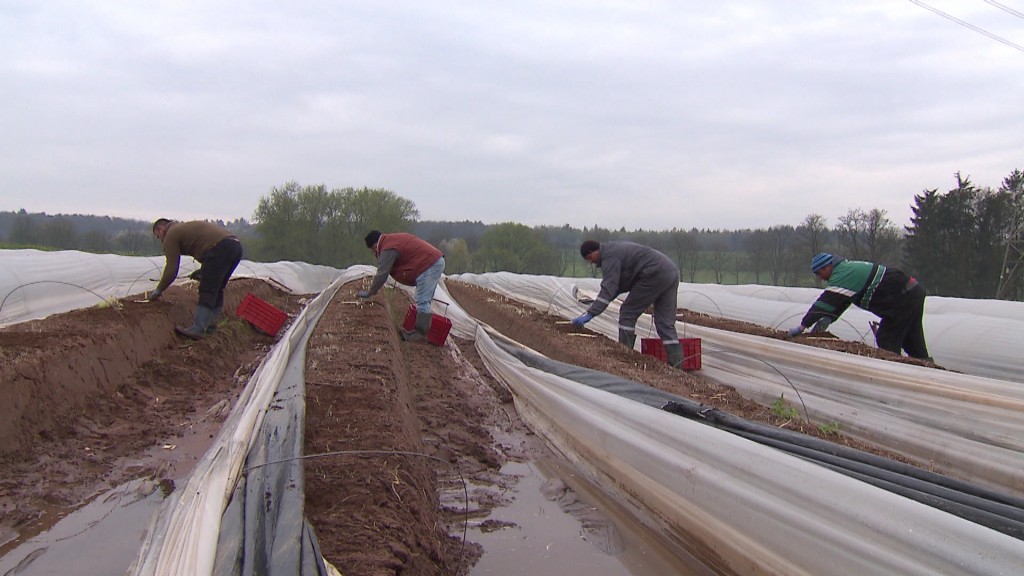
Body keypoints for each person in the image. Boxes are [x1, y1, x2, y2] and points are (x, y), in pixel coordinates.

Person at [786, 252, 930, 360]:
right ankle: (927, 368)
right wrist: (828, 318)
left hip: (905, 297)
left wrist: (803, 326)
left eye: (820, 272)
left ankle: (896, 376)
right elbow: (842, 301)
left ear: (828, 266)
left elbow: (824, 302)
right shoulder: (846, 270)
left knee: (887, 338)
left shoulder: (843, 274)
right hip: (911, 292)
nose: (820, 277)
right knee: (912, 339)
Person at [572, 240, 685, 368]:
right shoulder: (614, 249)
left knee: (627, 312)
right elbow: (621, 282)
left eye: (589, 257)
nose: (591, 262)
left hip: (653, 273)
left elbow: (609, 286)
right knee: (665, 323)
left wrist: (591, 314)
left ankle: (624, 356)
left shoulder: (609, 257)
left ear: (594, 251)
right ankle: (677, 365)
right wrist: (610, 295)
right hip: (670, 271)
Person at [149, 218, 243, 339]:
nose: (160, 240)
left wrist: (159, 290)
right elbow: (208, 249)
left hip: (220, 248)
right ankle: (210, 327)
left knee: (207, 289)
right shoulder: (183, 228)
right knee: (217, 288)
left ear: (160, 229)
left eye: (158, 236)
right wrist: (203, 271)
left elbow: (171, 269)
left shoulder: (171, 234)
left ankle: (198, 328)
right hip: (234, 246)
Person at [358, 230, 446, 342]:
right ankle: (419, 331)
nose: (373, 252)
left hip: (429, 263)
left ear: (375, 244)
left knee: (422, 299)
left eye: (372, 249)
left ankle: (420, 334)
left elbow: (382, 273)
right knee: (424, 299)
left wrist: (370, 292)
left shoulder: (388, 247)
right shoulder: (391, 241)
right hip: (433, 260)